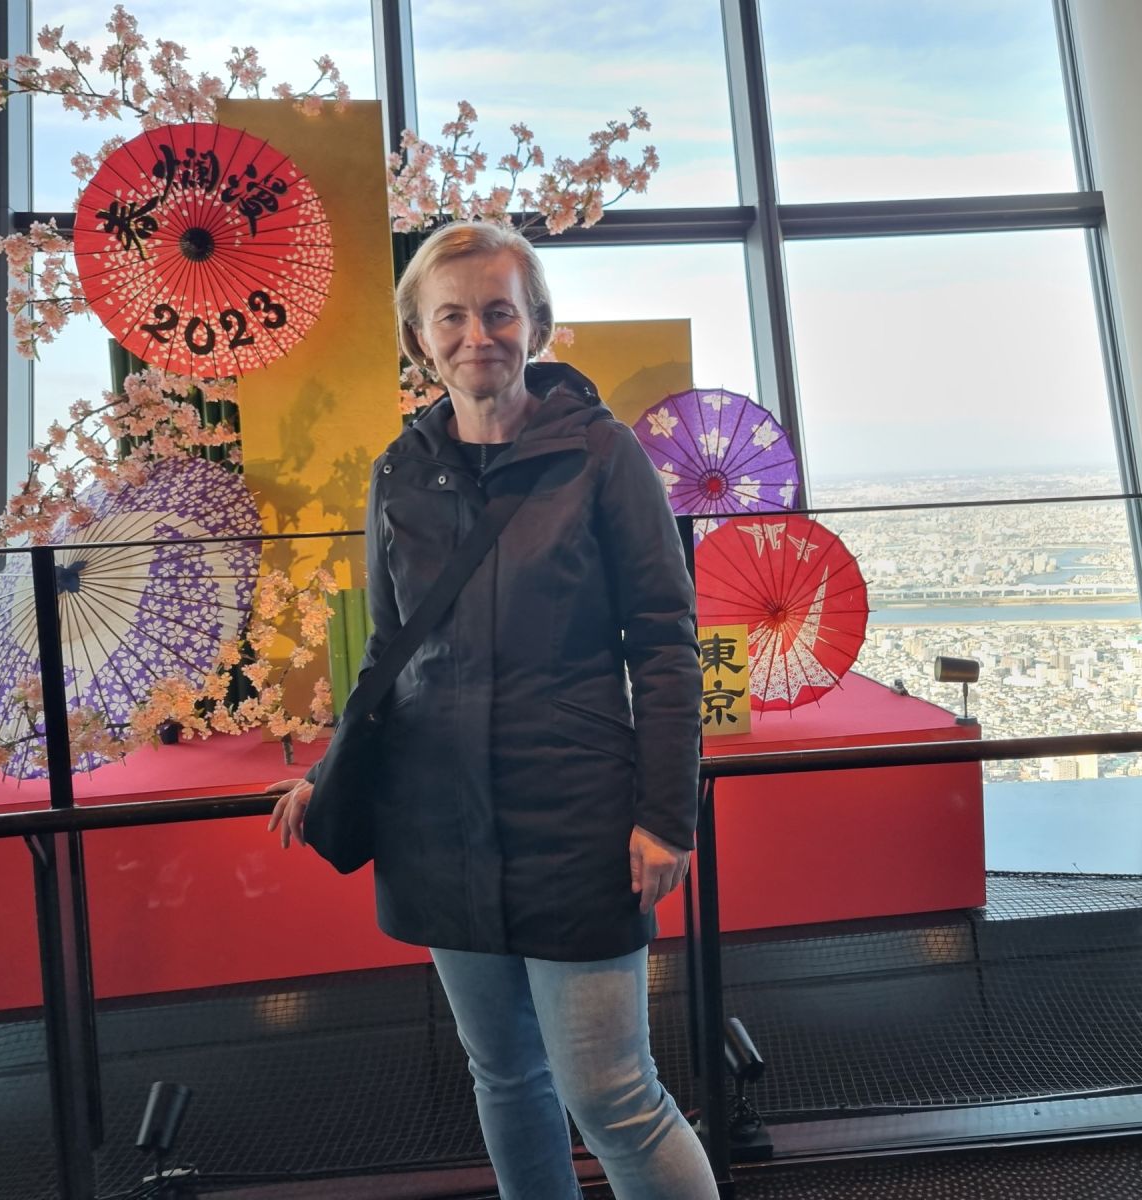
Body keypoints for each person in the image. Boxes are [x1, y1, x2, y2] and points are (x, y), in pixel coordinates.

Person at [266, 219, 718, 1200]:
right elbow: (389, 653)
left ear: (537, 324)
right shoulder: (399, 473)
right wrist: (329, 767)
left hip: (577, 819)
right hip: (440, 820)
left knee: (612, 1094)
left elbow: (665, 648)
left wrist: (662, 815)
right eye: (453, 316)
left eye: (500, 312)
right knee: (505, 1076)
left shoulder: (602, 458)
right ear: (419, 337)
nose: (479, 334)